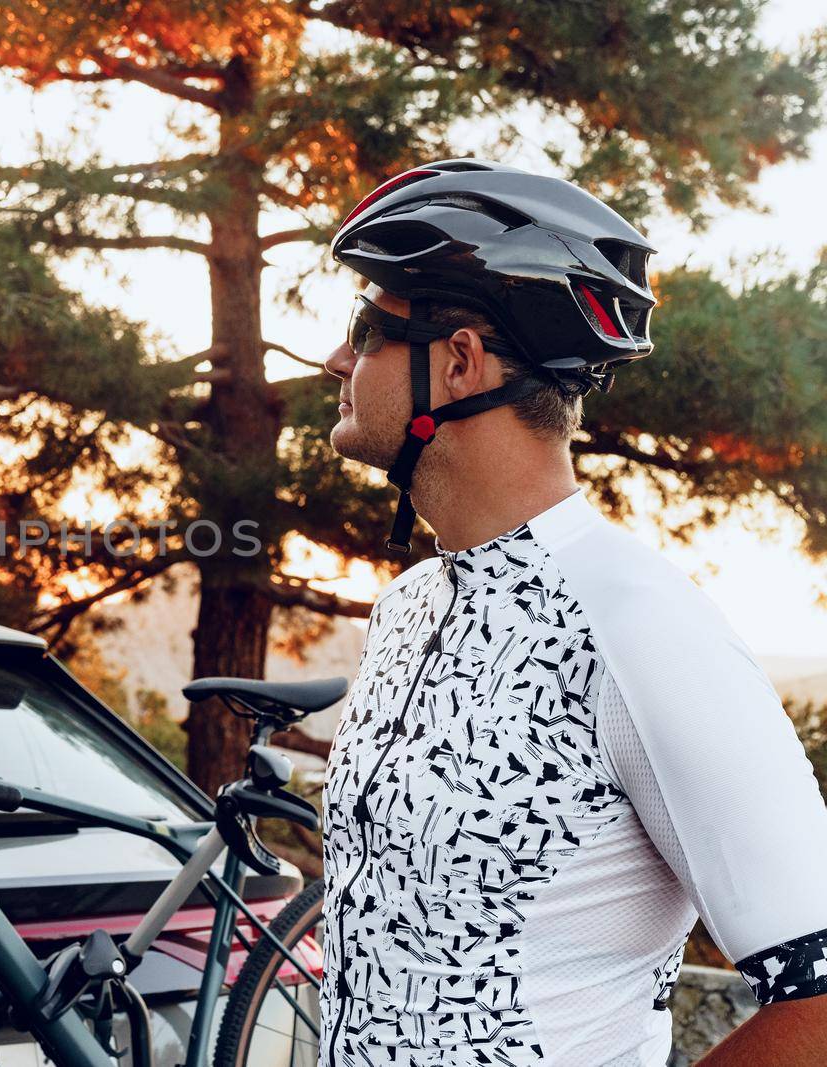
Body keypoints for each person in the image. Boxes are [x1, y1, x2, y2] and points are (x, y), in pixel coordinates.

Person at [318, 159, 827, 1066]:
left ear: (461, 359)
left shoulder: (641, 625)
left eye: (367, 331)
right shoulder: (407, 605)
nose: (335, 361)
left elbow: (820, 997)